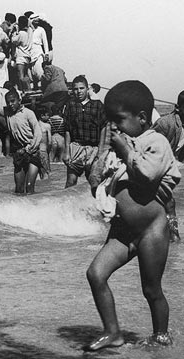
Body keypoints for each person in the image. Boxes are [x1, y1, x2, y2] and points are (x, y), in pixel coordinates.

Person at [85, 80, 180, 351]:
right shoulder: (123, 144)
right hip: (123, 231)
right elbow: (105, 180)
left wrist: (126, 150)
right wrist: (100, 171)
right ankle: (113, 332)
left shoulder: (155, 141)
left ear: (141, 118)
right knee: (95, 274)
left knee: (151, 290)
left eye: (119, 120)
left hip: (151, 230)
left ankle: (161, 336)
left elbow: (147, 176)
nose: (113, 126)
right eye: (110, 120)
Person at [151, 90, 184, 242]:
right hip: (153, 165)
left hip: (169, 167)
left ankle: (170, 236)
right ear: (178, 107)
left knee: (166, 202)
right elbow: (147, 141)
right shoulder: (166, 123)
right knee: (168, 202)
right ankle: (173, 237)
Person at [63, 75, 106, 188]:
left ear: (88, 88)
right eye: (75, 89)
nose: (79, 91)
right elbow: (67, 129)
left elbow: (103, 128)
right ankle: (68, 206)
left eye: (81, 88)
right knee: (70, 182)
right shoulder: (70, 105)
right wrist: (66, 152)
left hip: (93, 149)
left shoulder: (97, 105)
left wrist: (100, 151)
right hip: (76, 147)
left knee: (95, 182)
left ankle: (95, 205)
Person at [5, 89, 42, 193]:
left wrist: (28, 149)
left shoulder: (28, 113)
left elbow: (38, 133)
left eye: (13, 101)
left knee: (29, 187)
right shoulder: (8, 115)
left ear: (19, 100)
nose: (10, 104)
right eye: (8, 102)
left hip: (32, 151)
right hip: (19, 152)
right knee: (18, 189)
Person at [10, 16, 33, 91]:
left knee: (21, 76)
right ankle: (29, 89)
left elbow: (13, 41)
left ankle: (24, 91)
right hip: (27, 56)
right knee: (26, 75)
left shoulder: (21, 33)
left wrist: (13, 32)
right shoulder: (29, 32)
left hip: (21, 57)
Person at [28, 13, 49, 89]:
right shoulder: (28, 30)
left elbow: (45, 42)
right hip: (29, 52)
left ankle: (42, 87)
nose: (37, 22)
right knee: (31, 72)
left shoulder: (41, 30)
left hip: (38, 51)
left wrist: (46, 53)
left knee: (39, 70)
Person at [36, 106, 52, 177]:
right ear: (42, 116)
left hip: (35, 151)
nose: (49, 117)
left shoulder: (35, 125)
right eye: (47, 115)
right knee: (47, 173)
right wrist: (49, 150)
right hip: (44, 150)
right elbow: (50, 141)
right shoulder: (47, 126)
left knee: (38, 174)